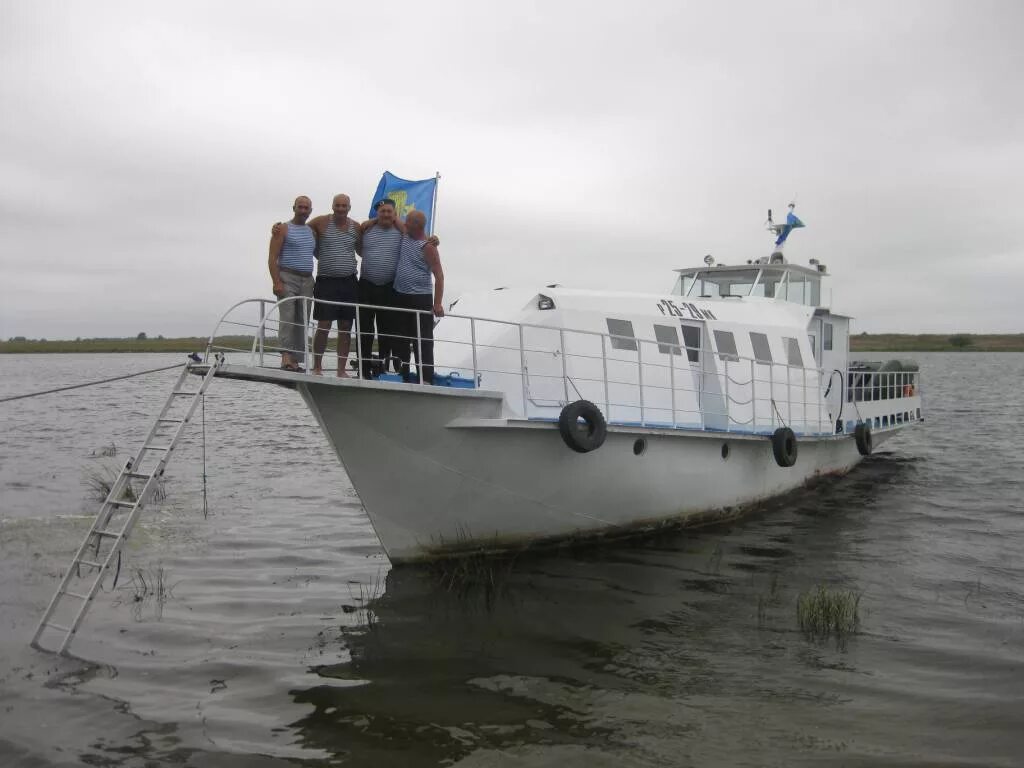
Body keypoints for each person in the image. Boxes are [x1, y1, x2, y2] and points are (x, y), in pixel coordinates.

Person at [306, 194, 359, 376]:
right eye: (338, 205)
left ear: (349, 207)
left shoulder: (356, 227)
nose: (341, 209)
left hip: (349, 282)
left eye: (344, 206)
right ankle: (317, 367)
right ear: (332, 206)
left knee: (345, 326)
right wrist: (279, 228)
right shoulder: (320, 222)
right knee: (324, 325)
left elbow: (362, 248)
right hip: (326, 281)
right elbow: (301, 228)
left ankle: (341, 370)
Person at [392, 210, 445, 384]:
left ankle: (426, 378)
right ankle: (402, 375)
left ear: (417, 226)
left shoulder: (428, 247)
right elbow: (393, 217)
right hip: (400, 295)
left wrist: (437, 303)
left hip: (421, 298)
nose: (405, 223)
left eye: (408, 221)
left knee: (422, 340)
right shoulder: (405, 234)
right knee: (400, 339)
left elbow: (439, 276)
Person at [356, 199, 405, 378]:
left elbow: (417, 235)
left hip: (389, 287)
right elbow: (358, 246)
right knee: (364, 330)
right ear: (377, 213)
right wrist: (371, 222)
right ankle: (363, 368)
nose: (385, 214)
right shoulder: (366, 229)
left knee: (386, 331)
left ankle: (383, 368)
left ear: (394, 213)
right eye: (382, 211)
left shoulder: (401, 231)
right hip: (366, 285)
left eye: (389, 211)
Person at [268, 196, 315, 371]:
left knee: (303, 319)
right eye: (300, 207)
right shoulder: (283, 228)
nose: (303, 211)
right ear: (294, 208)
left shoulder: (312, 231)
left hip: (307, 280)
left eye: (306, 208)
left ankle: (295, 360)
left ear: (310, 211)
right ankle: (285, 357)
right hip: (288, 276)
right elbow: (272, 257)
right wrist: (276, 281)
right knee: (288, 316)